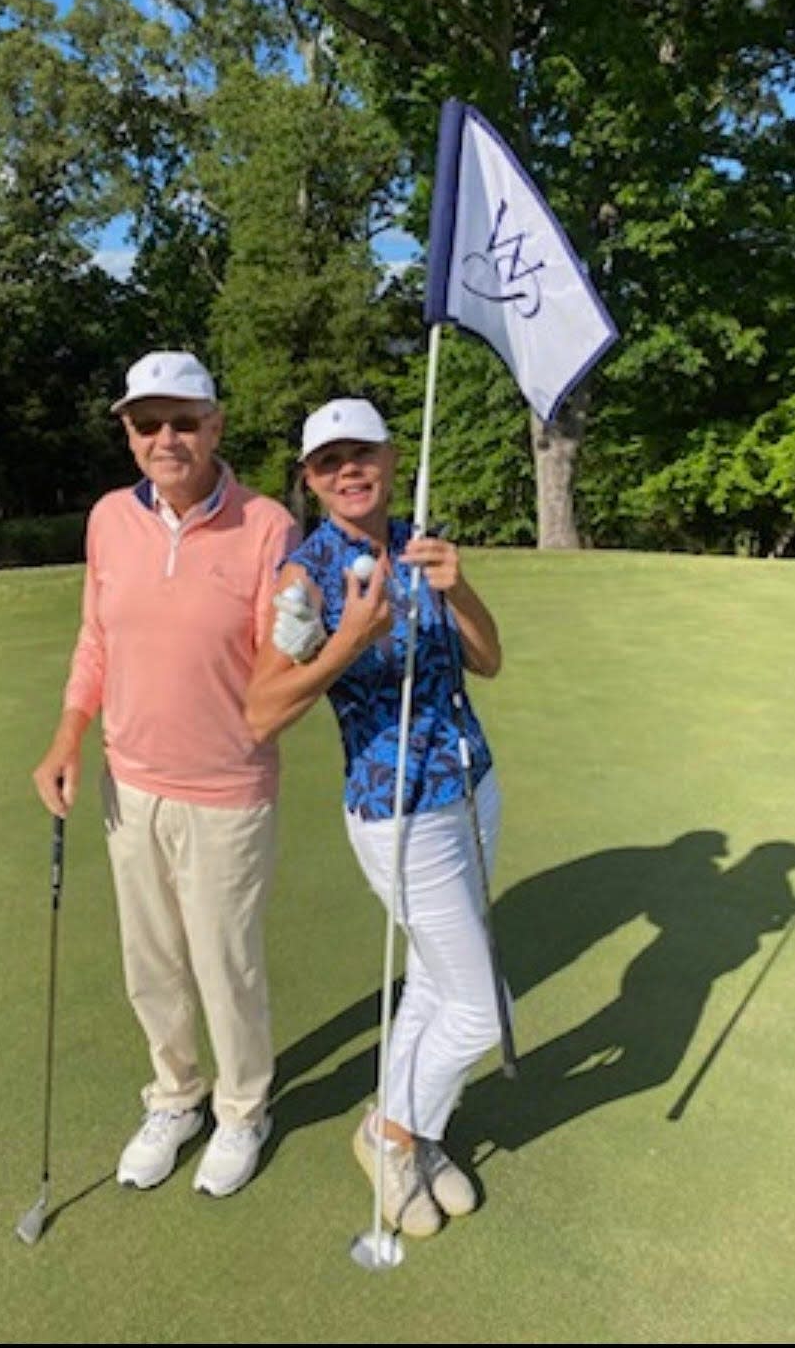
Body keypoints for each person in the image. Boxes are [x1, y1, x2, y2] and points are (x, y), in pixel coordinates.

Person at [33, 350, 300, 1198]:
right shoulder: (110, 519)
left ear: (216, 426)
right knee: (150, 961)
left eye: (183, 420)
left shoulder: (265, 526)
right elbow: (96, 640)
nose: (165, 437)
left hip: (227, 788)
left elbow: (279, 662)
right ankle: (175, 1096)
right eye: (146, 423)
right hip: (129, 783)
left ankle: (242, 1108)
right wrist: (68, 733)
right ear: (128, 434)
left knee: (225, 963)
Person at [245, 397, 505, 1239]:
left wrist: (455, 584)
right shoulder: (306, 575)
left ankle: (414, 1135)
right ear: (310, 481)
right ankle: (388, 1133)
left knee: (436, 981)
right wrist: (349, 638)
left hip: (471, 787)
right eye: (328, 462)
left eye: (363, 453)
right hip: (398, 812)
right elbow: (260, 710)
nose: (348, 470)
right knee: (479, 1009)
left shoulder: (424, 540)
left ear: (392, 459)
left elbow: (489, 658)